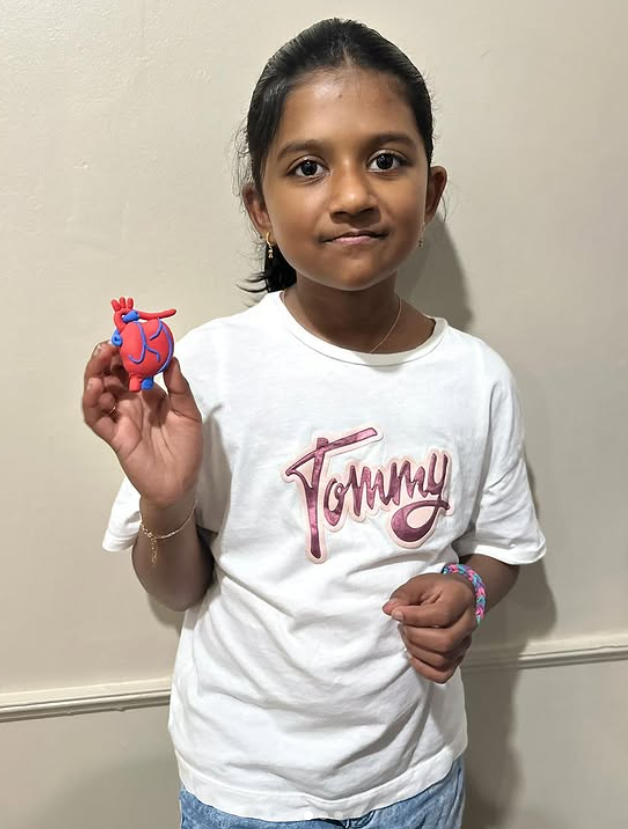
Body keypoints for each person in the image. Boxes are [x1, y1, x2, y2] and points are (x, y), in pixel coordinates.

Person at [82, 18, 546, 829]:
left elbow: (504, 546)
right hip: (247, 788)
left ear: (431, 192)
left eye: (387, 159)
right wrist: (166, 499)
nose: (354, 193)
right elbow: (177, 587)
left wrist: (471, 589)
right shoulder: (208, 370)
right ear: (260, 209)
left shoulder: (476, 380)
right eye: (308, 166)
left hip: (416, 777)